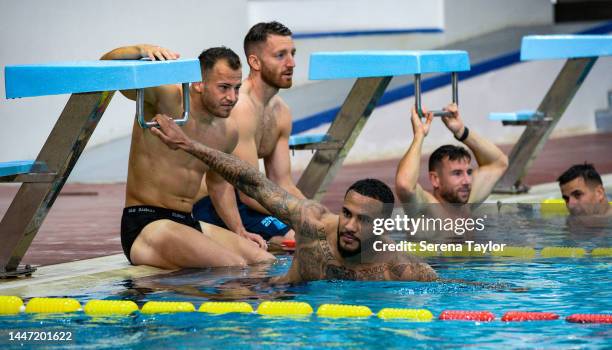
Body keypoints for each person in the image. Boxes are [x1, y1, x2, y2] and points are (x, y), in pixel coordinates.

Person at [150, 115, 438, 282]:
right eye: (347, 213)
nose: (349, 226)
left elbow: (452, 291)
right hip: (282, 303)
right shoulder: (314, 224)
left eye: (363, 220)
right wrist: (188, 145)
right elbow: (254, 182)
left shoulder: (401, 268)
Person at [101, 44, 274, 269]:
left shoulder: (227, 131)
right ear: (199, 83)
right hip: (147, 223)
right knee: (234, 266)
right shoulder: (167, 99)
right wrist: (140, 49)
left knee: (264, 261)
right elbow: (107, 68)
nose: (232, 97)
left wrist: (239, 230)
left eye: (236, 88)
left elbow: (219, 185)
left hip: (187, 221)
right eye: (223, 88)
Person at [193, 21, 303, 249]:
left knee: (322, 230)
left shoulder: (281, 111)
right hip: (213, 204)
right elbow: (249, 193)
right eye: (280, 55)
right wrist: (303, 215)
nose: (291, 63)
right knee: (297, 239)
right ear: (255, 61)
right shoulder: (240, 106)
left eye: (292, 54)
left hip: (250, 200)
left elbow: (283, 182)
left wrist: (317, 213)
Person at [395, 104, 508, 213]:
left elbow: (499, 163)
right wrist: (419, 135)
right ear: (435, 179)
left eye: (468, 172)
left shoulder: (466, 203)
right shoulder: (428, 212)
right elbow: (405, 185)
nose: (467, 181)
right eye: (457, 173)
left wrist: (461, 131)